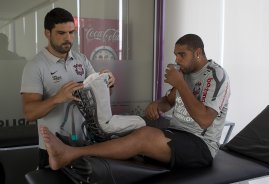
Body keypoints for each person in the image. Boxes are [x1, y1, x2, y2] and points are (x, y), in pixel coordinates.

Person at [39, 33, 230, 170]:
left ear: (197, 53)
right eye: (175, 54)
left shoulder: (215, 75)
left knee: (144, 136)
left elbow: (205, 120)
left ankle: (69, 154)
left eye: (182, 55)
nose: (176, 59)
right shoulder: (185, 74)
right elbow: (169, 101)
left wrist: (179, 83)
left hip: (201, 146)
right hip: (177, 134)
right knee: (130, 128)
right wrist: (157, 105)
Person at [20, 7, 115, 169]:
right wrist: (58, 98)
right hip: (52, 148)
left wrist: (107, 83)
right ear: (47, 33)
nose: (68, 38)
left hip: (84, 143)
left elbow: (100, 97)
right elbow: (29, 113)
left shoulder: (81, 59)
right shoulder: (35, 66)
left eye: (72, 32)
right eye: (61, 33)